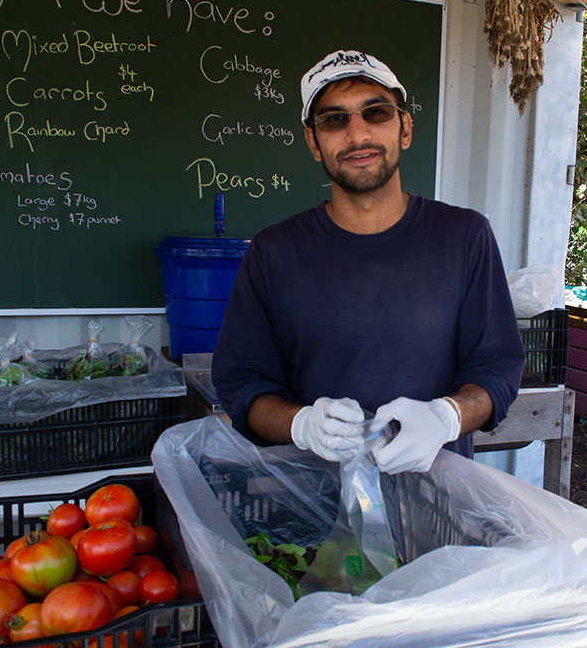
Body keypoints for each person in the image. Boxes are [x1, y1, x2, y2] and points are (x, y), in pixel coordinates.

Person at [211, 49, 524, 474]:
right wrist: (301, 424)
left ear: (405, 128)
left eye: (375, 113)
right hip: (313, 517)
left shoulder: (464, 237)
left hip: (439, 508)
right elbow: (242, 387)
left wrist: (446, 416)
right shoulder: (274, 252)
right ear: (313, 142)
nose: (357, 135)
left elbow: (497, 370)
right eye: (334, 119)